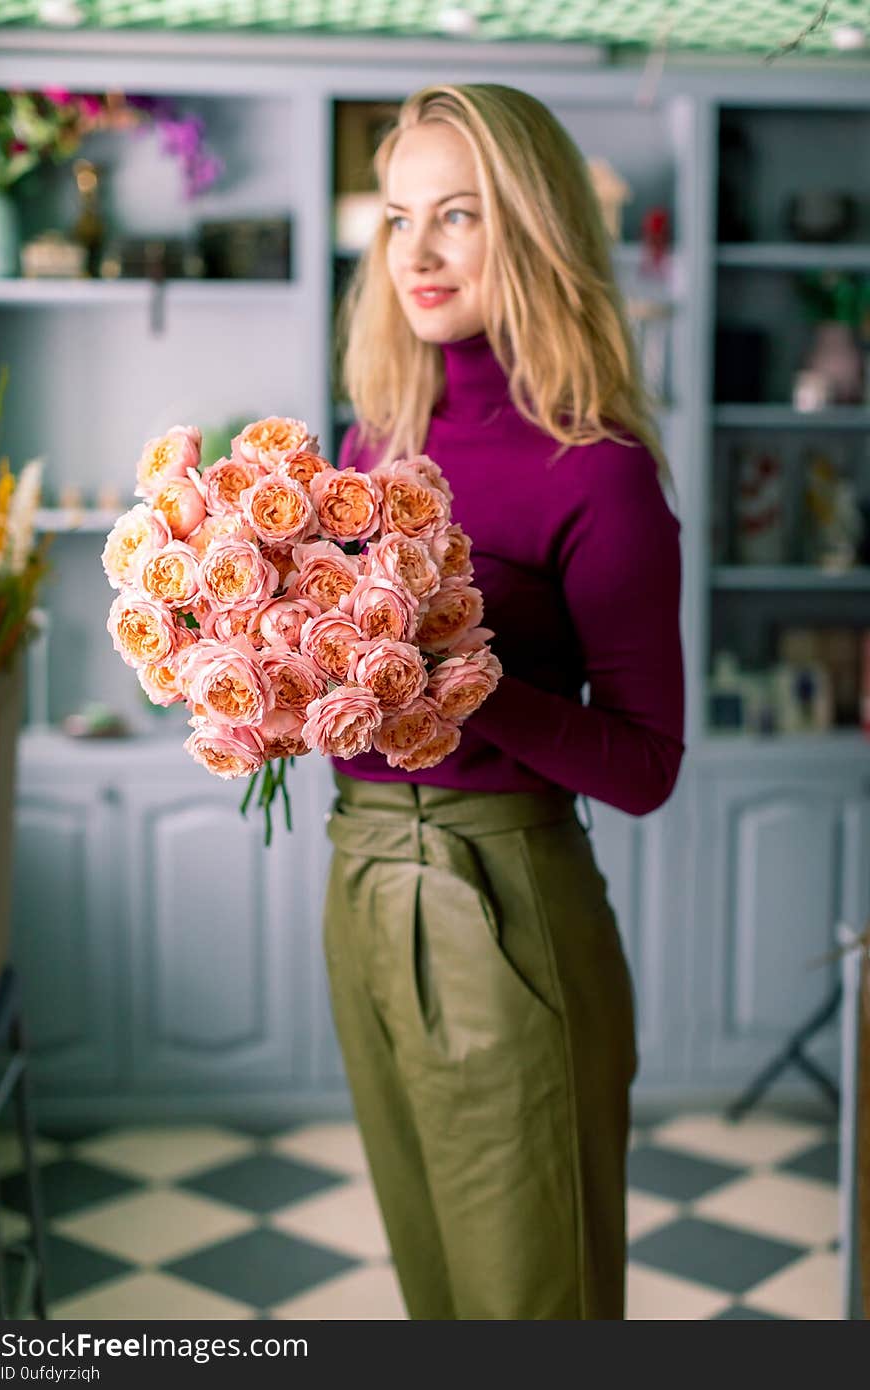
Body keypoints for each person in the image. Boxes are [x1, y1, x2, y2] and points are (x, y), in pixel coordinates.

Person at [322, 83, 685, 1321]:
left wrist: (465, 687)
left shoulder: (598, 472)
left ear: (528, 228)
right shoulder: (374, 438)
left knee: (536, 1309)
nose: (415, 253)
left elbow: (646, 766)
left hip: (502, 908)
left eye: (458, 217)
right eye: (396, 217)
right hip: (360, 876)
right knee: (438, 1296)